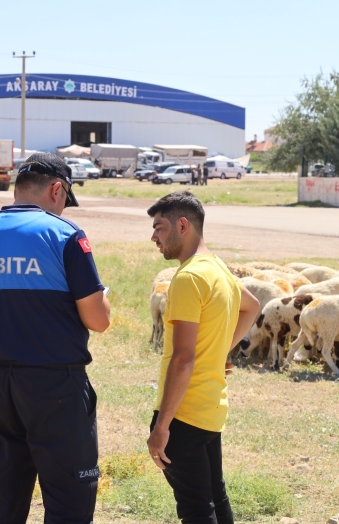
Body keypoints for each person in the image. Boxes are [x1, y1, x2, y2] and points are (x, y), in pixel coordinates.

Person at [0, 152, 110, 524]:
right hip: (54, 384)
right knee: (69, 500)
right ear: (57, 189)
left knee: (5, 500)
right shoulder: (63, 234)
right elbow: (98, 320)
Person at [146, 191, 260, 524]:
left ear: (183, 225)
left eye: (159, 227)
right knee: (214, 498)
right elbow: (251, 307)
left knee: (196, 510)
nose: (154, 236)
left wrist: (162, 425)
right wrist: (221, 347)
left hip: (185, 413)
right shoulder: (218, 269)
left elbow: (183, 359)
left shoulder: (188, 277)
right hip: (211, 409)